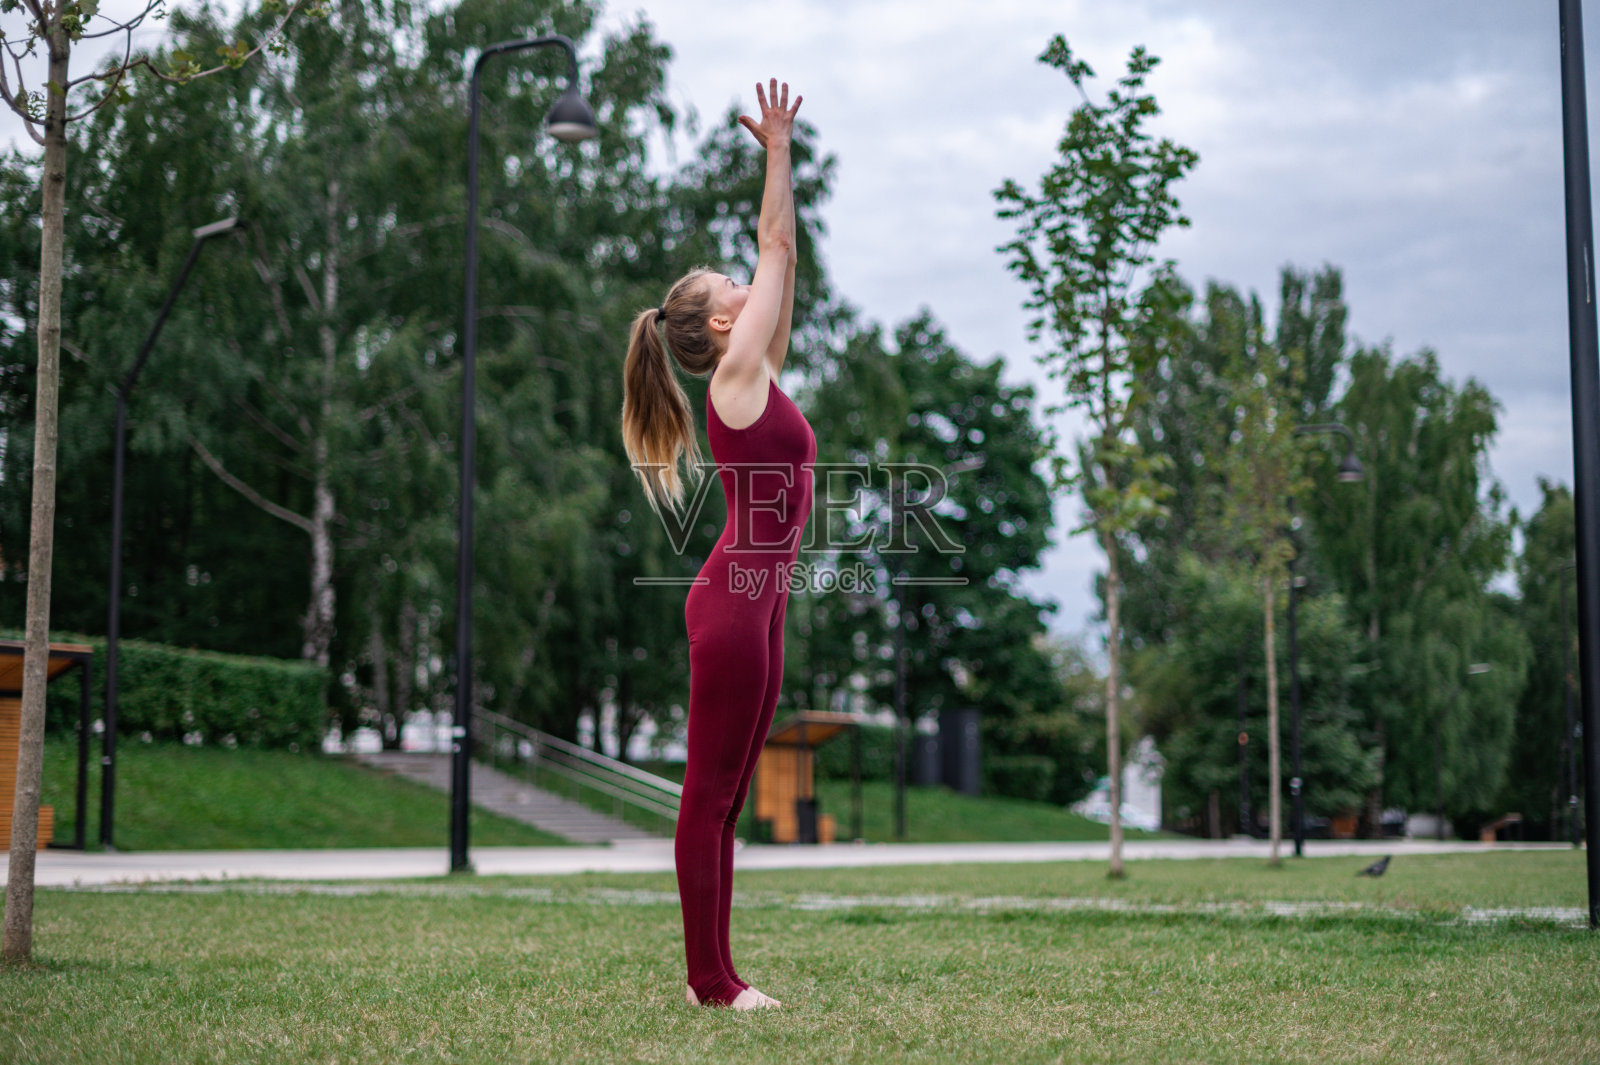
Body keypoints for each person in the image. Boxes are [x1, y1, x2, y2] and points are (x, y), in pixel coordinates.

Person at [619, 79, 813, 1010]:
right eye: (727, 285)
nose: (745, 278)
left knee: (729, 797)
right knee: (708, 794)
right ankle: (710, 983)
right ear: (723, 324)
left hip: (757, 601)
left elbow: (781, 249)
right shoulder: (735, 376)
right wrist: (776, 147)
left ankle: (723, 976)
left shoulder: (754, 368)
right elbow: (774, 245)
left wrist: (780, 166)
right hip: (734, 606)